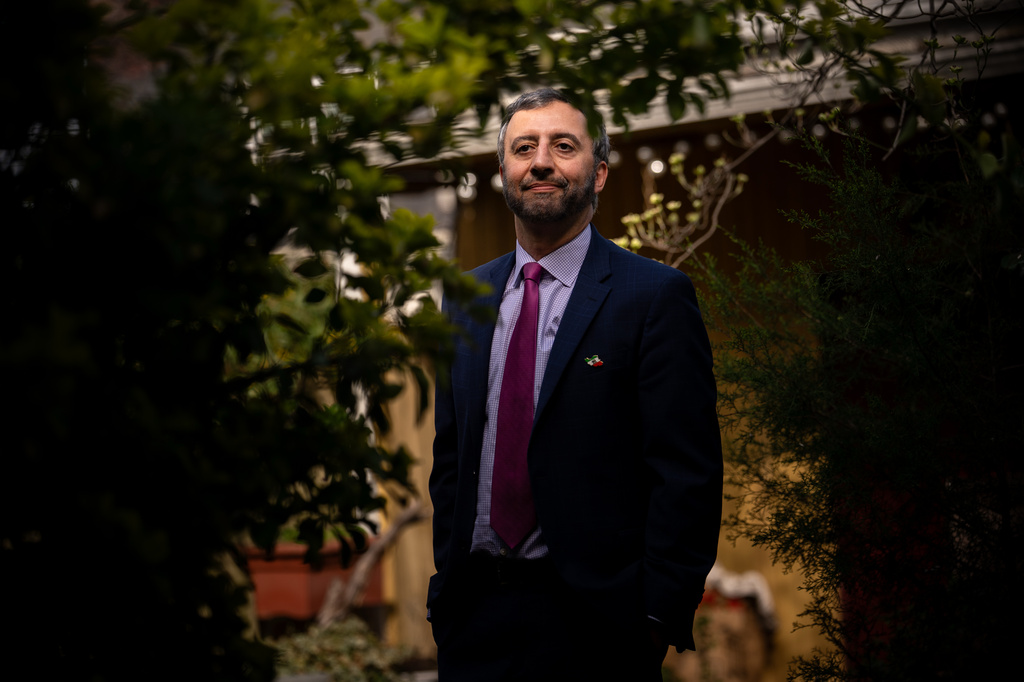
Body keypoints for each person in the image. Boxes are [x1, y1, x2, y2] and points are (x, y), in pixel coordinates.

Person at [428, 88, 722, 681]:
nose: (541, 161)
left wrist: (656, 615)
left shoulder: (652, 297)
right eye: (523, 147)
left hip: (601, 628)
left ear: (601, 172)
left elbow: (686, 472)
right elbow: (451, 462)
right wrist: (447, 592)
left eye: (564, 146)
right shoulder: (463, 302)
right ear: (504, 171)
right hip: (475, 621)